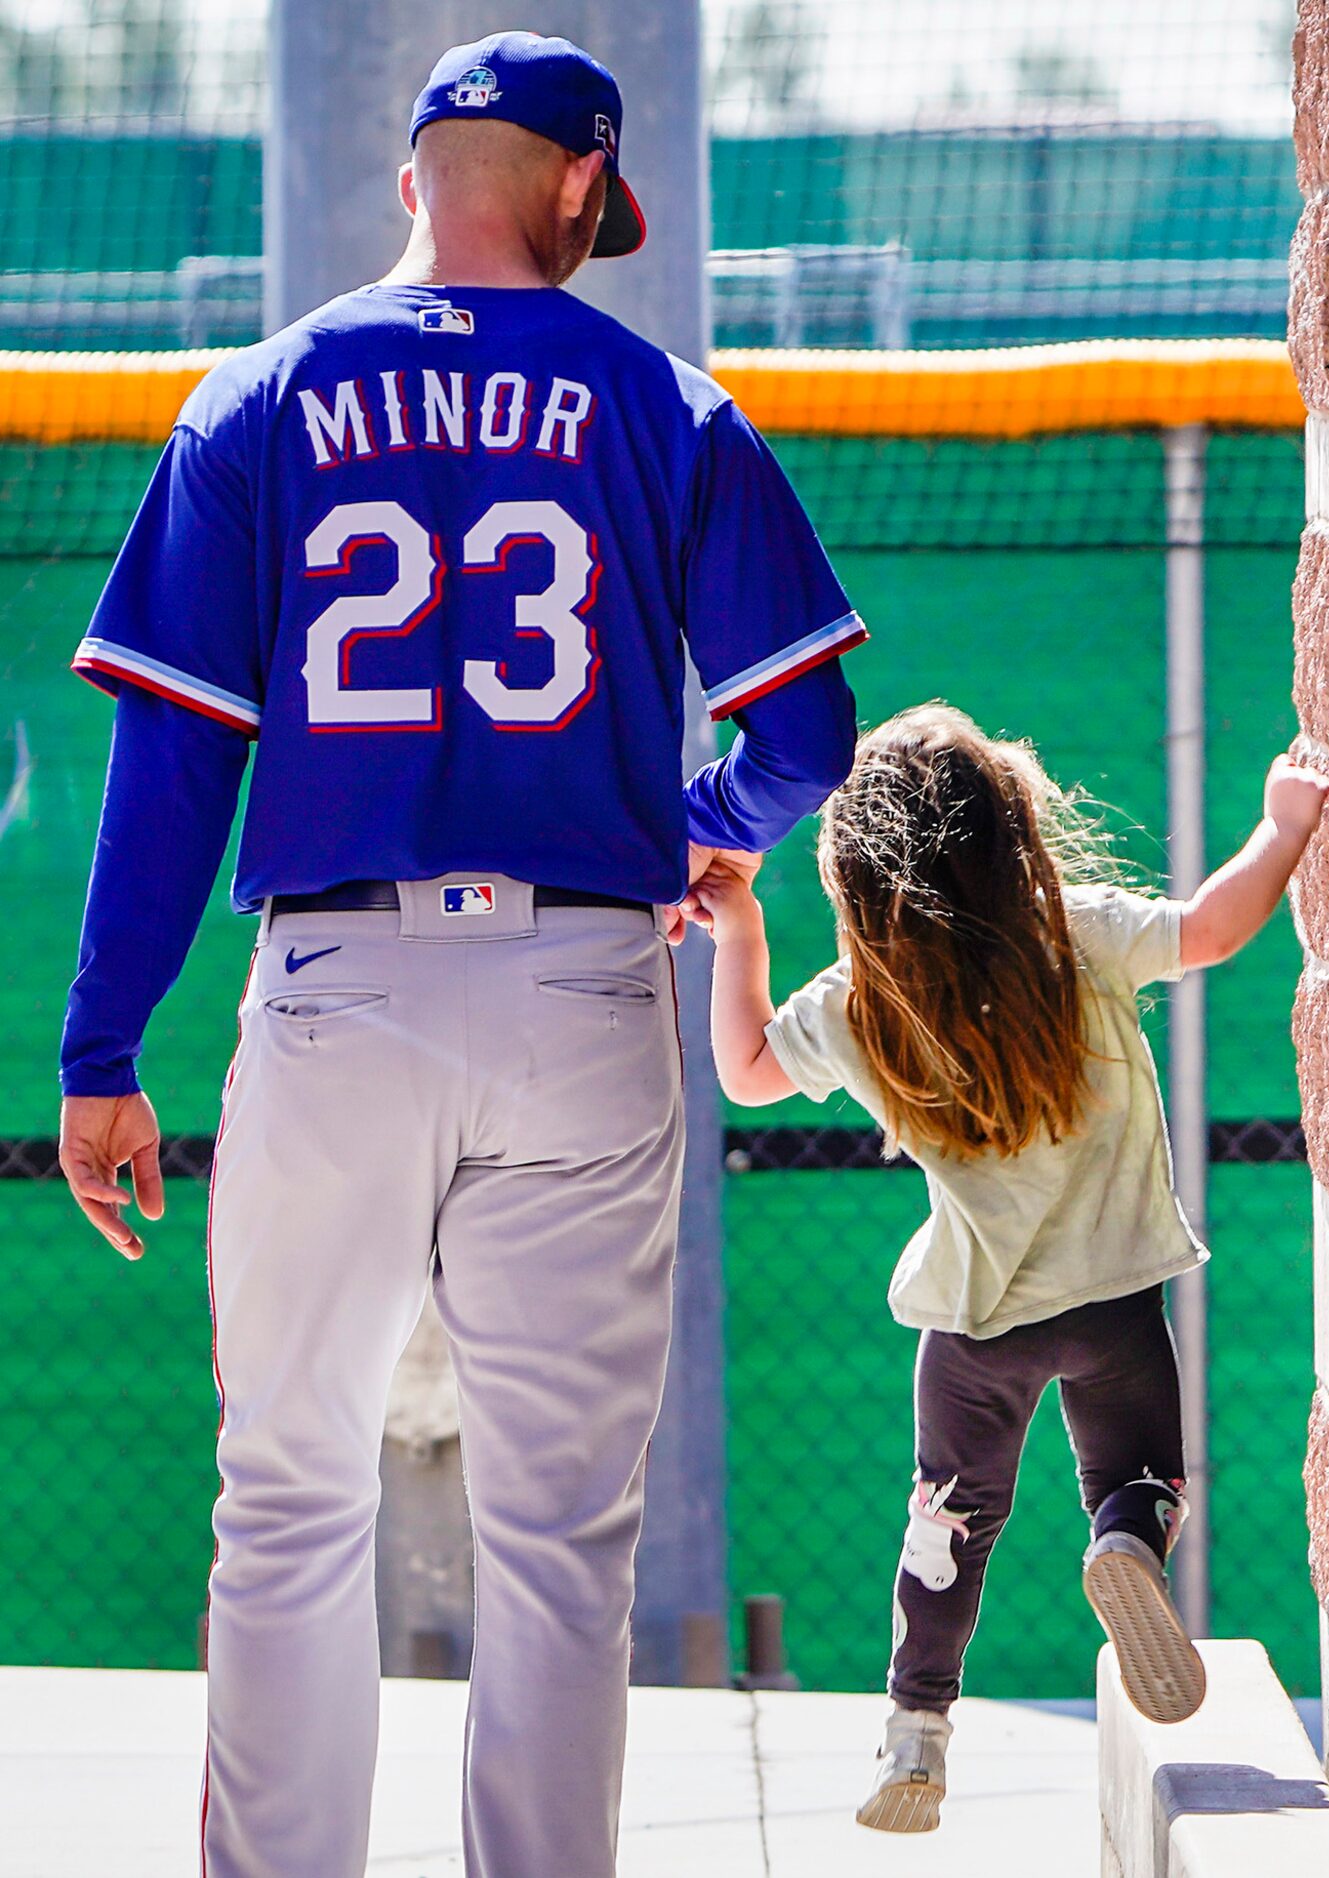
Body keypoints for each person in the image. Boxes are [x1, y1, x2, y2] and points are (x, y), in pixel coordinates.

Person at [53, 32, 866, 1878]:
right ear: (578, 184)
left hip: (339, 992)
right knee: (564, 1542)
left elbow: (174, 755)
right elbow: (805, 731)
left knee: (282, 1506)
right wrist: (702, 833)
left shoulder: (255, 397)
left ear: (413, 175)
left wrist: (104, 1047)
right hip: (586, 983)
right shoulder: (666, 402)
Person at [686, 702, 1327, 1832]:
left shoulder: (861, 1004)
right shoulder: (1075, 935)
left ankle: (914, 1736)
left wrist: (741, 929)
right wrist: (1283, 830)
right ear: (1011, 832)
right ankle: (1124, 1544)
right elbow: (1214, 928)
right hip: (1116, 1303)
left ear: (860, 877)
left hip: (974, 1323)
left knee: (948, 1523)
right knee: (1138, 1476)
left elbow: (740, 1071)